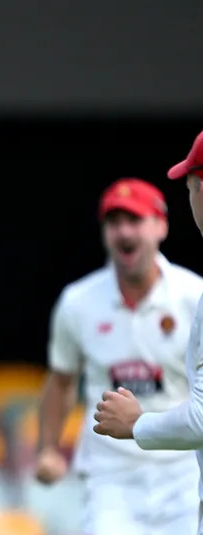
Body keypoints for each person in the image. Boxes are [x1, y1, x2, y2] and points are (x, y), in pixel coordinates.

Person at [34, 176, 203, 535]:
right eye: (113, 222)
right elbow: (62, 381)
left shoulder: (195, 295)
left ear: (161, 225)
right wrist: (48, 448)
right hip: (110, 481)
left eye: (135, 220)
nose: (124, 232)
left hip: (183, 477)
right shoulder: (78, 302)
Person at [94, 130, 203, 532]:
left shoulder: (195, 293)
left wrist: (136, 424)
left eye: (192, 187)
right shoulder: (80, 301)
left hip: (177, 489)